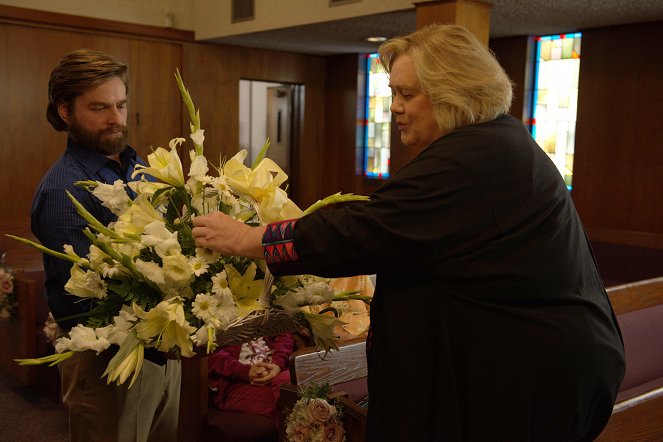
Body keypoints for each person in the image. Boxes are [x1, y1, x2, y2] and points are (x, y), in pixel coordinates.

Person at [191, 24, 625, 441]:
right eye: (392, 92)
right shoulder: (499, 142)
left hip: (526, 380)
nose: (395, 106)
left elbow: (366, 228)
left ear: (452, 94)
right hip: (536, 368)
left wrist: (251, 239)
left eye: (407, 94)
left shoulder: (470, 159)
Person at [32, 49, 180, 442]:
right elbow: (90, 298)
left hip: (161, 346)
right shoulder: (64, 190)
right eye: (100, 108)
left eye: (121, 104)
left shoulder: (136, 165)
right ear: (65, 111)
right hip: (106, 360)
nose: (116, 118)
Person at [208, 332, 294, 425]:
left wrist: (277, 364)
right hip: (237, 382)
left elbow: (284, 333)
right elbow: (213, 356)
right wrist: (246, 371)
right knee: (288, 403)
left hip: (275, 369)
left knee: (293, 388)